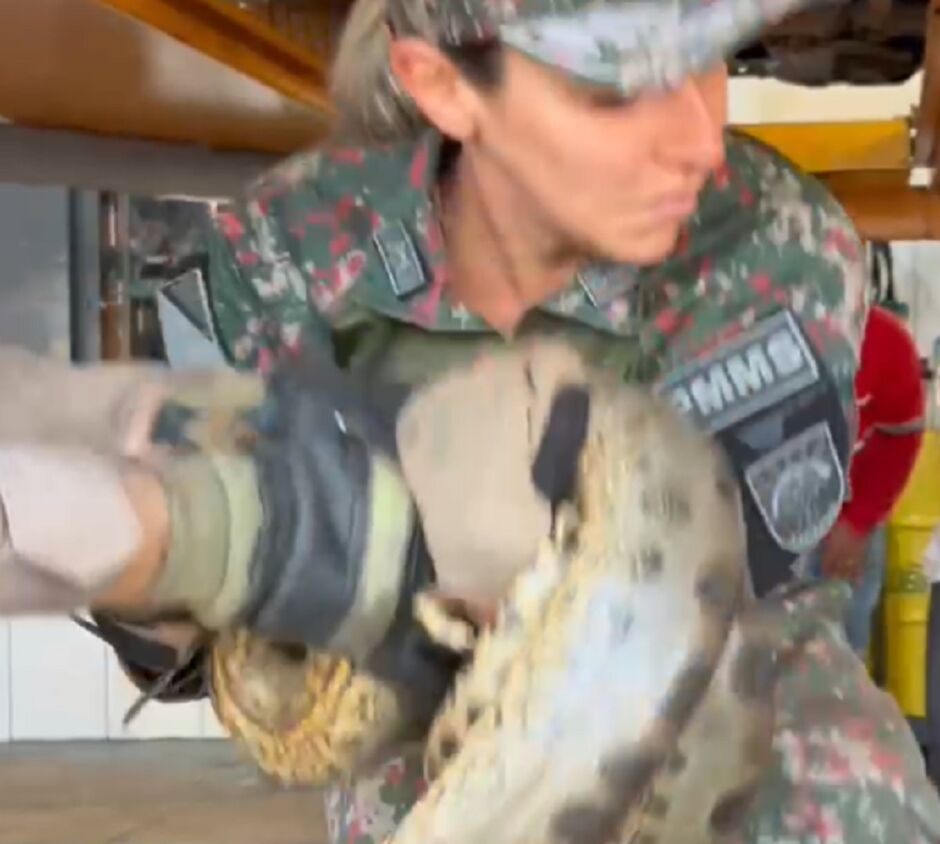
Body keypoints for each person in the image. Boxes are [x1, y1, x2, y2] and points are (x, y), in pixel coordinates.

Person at [2, 0, 940, 841]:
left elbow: (680, 603)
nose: (700, 138)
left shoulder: (769, 241)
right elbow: (196, 644)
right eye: (617, 88)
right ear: (443, 88)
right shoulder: (290, 260)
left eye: (708, 60)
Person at [801, 304, 925, 654]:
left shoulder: (886, 340)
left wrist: (859, 522)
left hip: (847, 518)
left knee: (845, 643)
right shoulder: (732, 332)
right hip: (751, 527)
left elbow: (900, 435)